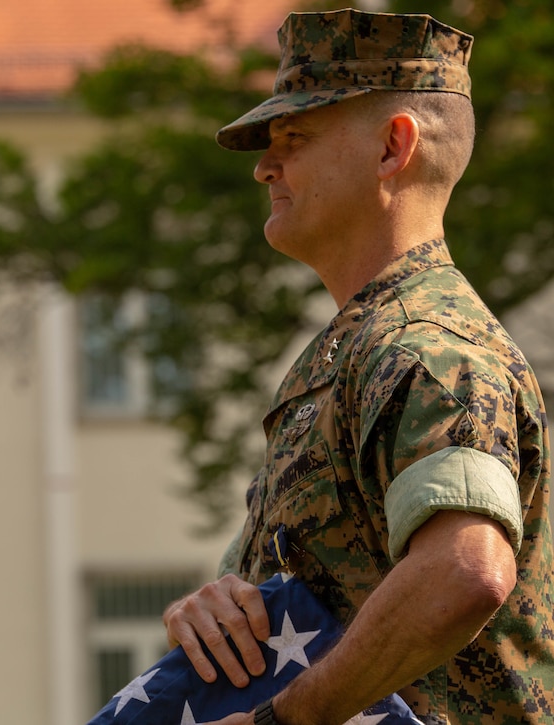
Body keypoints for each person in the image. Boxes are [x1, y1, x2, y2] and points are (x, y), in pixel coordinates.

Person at [161, 9, 554, 725]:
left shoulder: (430, 347)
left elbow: (464, 570)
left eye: (295, 137)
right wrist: (222, 605)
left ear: (391, 148)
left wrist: (283, 720)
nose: (263, 167)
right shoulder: (351, 352)